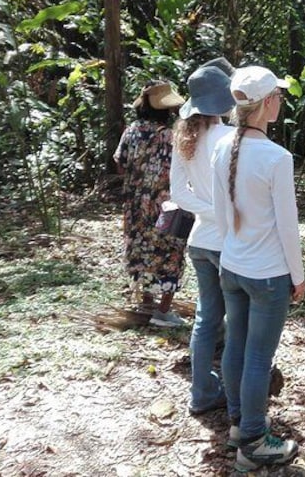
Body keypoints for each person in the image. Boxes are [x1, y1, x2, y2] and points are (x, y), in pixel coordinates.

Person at [212, 65, 305, 472]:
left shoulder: (221, 147)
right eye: (278, 97)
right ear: (267, 103)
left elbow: (220, 215)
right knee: (257, 358)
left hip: (231, 266)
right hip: (267, 274)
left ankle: (238, 424)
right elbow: (288, 225)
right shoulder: (276, 156)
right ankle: (252, 439)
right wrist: (298, 276)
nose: (281, 103)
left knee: (236, 347)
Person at [170, 61, 237, 416]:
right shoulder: (230, 138)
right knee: (237, 322)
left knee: (206, 319)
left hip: (199, 240)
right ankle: (234, 393)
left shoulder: (184, 137)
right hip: (229, 243)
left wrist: (207, 212)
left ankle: (201, 392)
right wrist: (222, 213)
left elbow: (178, 193)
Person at [114, 80, 187, 327]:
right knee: (171, 253)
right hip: (166, 207)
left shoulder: (131, 131)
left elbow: (121, 165)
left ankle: (146, 301)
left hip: (135, 206)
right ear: (166, 109)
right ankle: (163, 310)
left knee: (142, 251)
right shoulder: (171, 136)